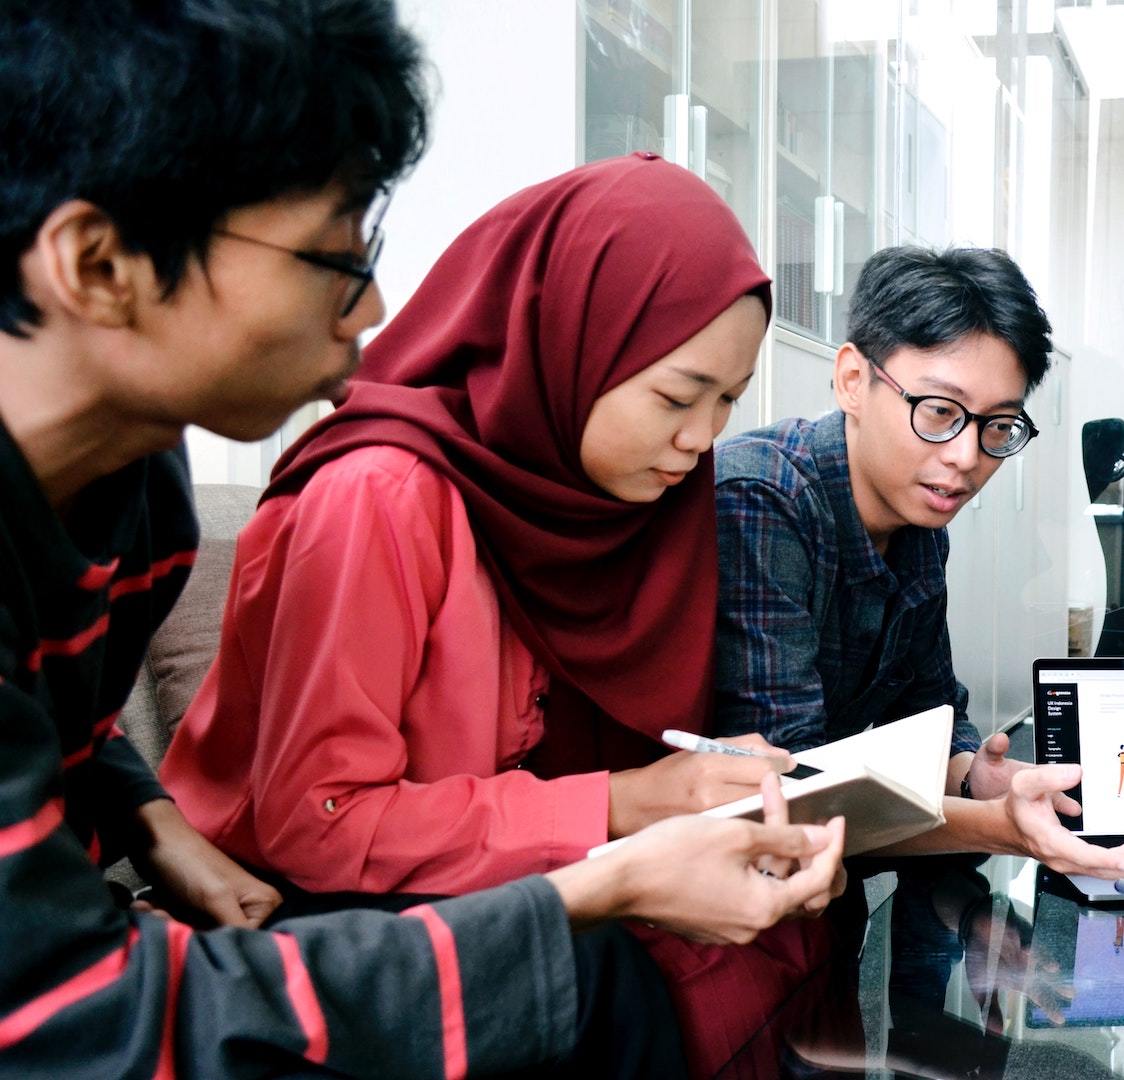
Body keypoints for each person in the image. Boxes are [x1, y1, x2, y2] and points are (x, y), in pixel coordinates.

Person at [0, 3, 839, 1076]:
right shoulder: (378, 493)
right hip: (159, 968)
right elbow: (85, 1012)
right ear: (100, 262)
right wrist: (611, 868)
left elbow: (53, 725)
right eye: (333, 260)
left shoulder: (136, 493)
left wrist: (147, 815)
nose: (375, 307)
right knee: (600, 980)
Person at [158, 151, 848, 1078]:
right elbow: (317, 820)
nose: (699, 439)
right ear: (568, 345)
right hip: (300, 895)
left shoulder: (615, 500)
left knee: (792, 917)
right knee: (598, 969)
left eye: (726, 402)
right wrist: (624, 806)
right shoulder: (380, 495)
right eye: (678, 396)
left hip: (475, 865)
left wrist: (692, 795)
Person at [712, 245, 1124, 881]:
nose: (965, 456)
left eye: (999, 426)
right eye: (938, 412)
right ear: (853, 379)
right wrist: (1003, 829)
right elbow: (793, 791)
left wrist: (973, 771)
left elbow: (928, 709)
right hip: (720, 892)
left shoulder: (919, 514)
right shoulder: (763, 501)